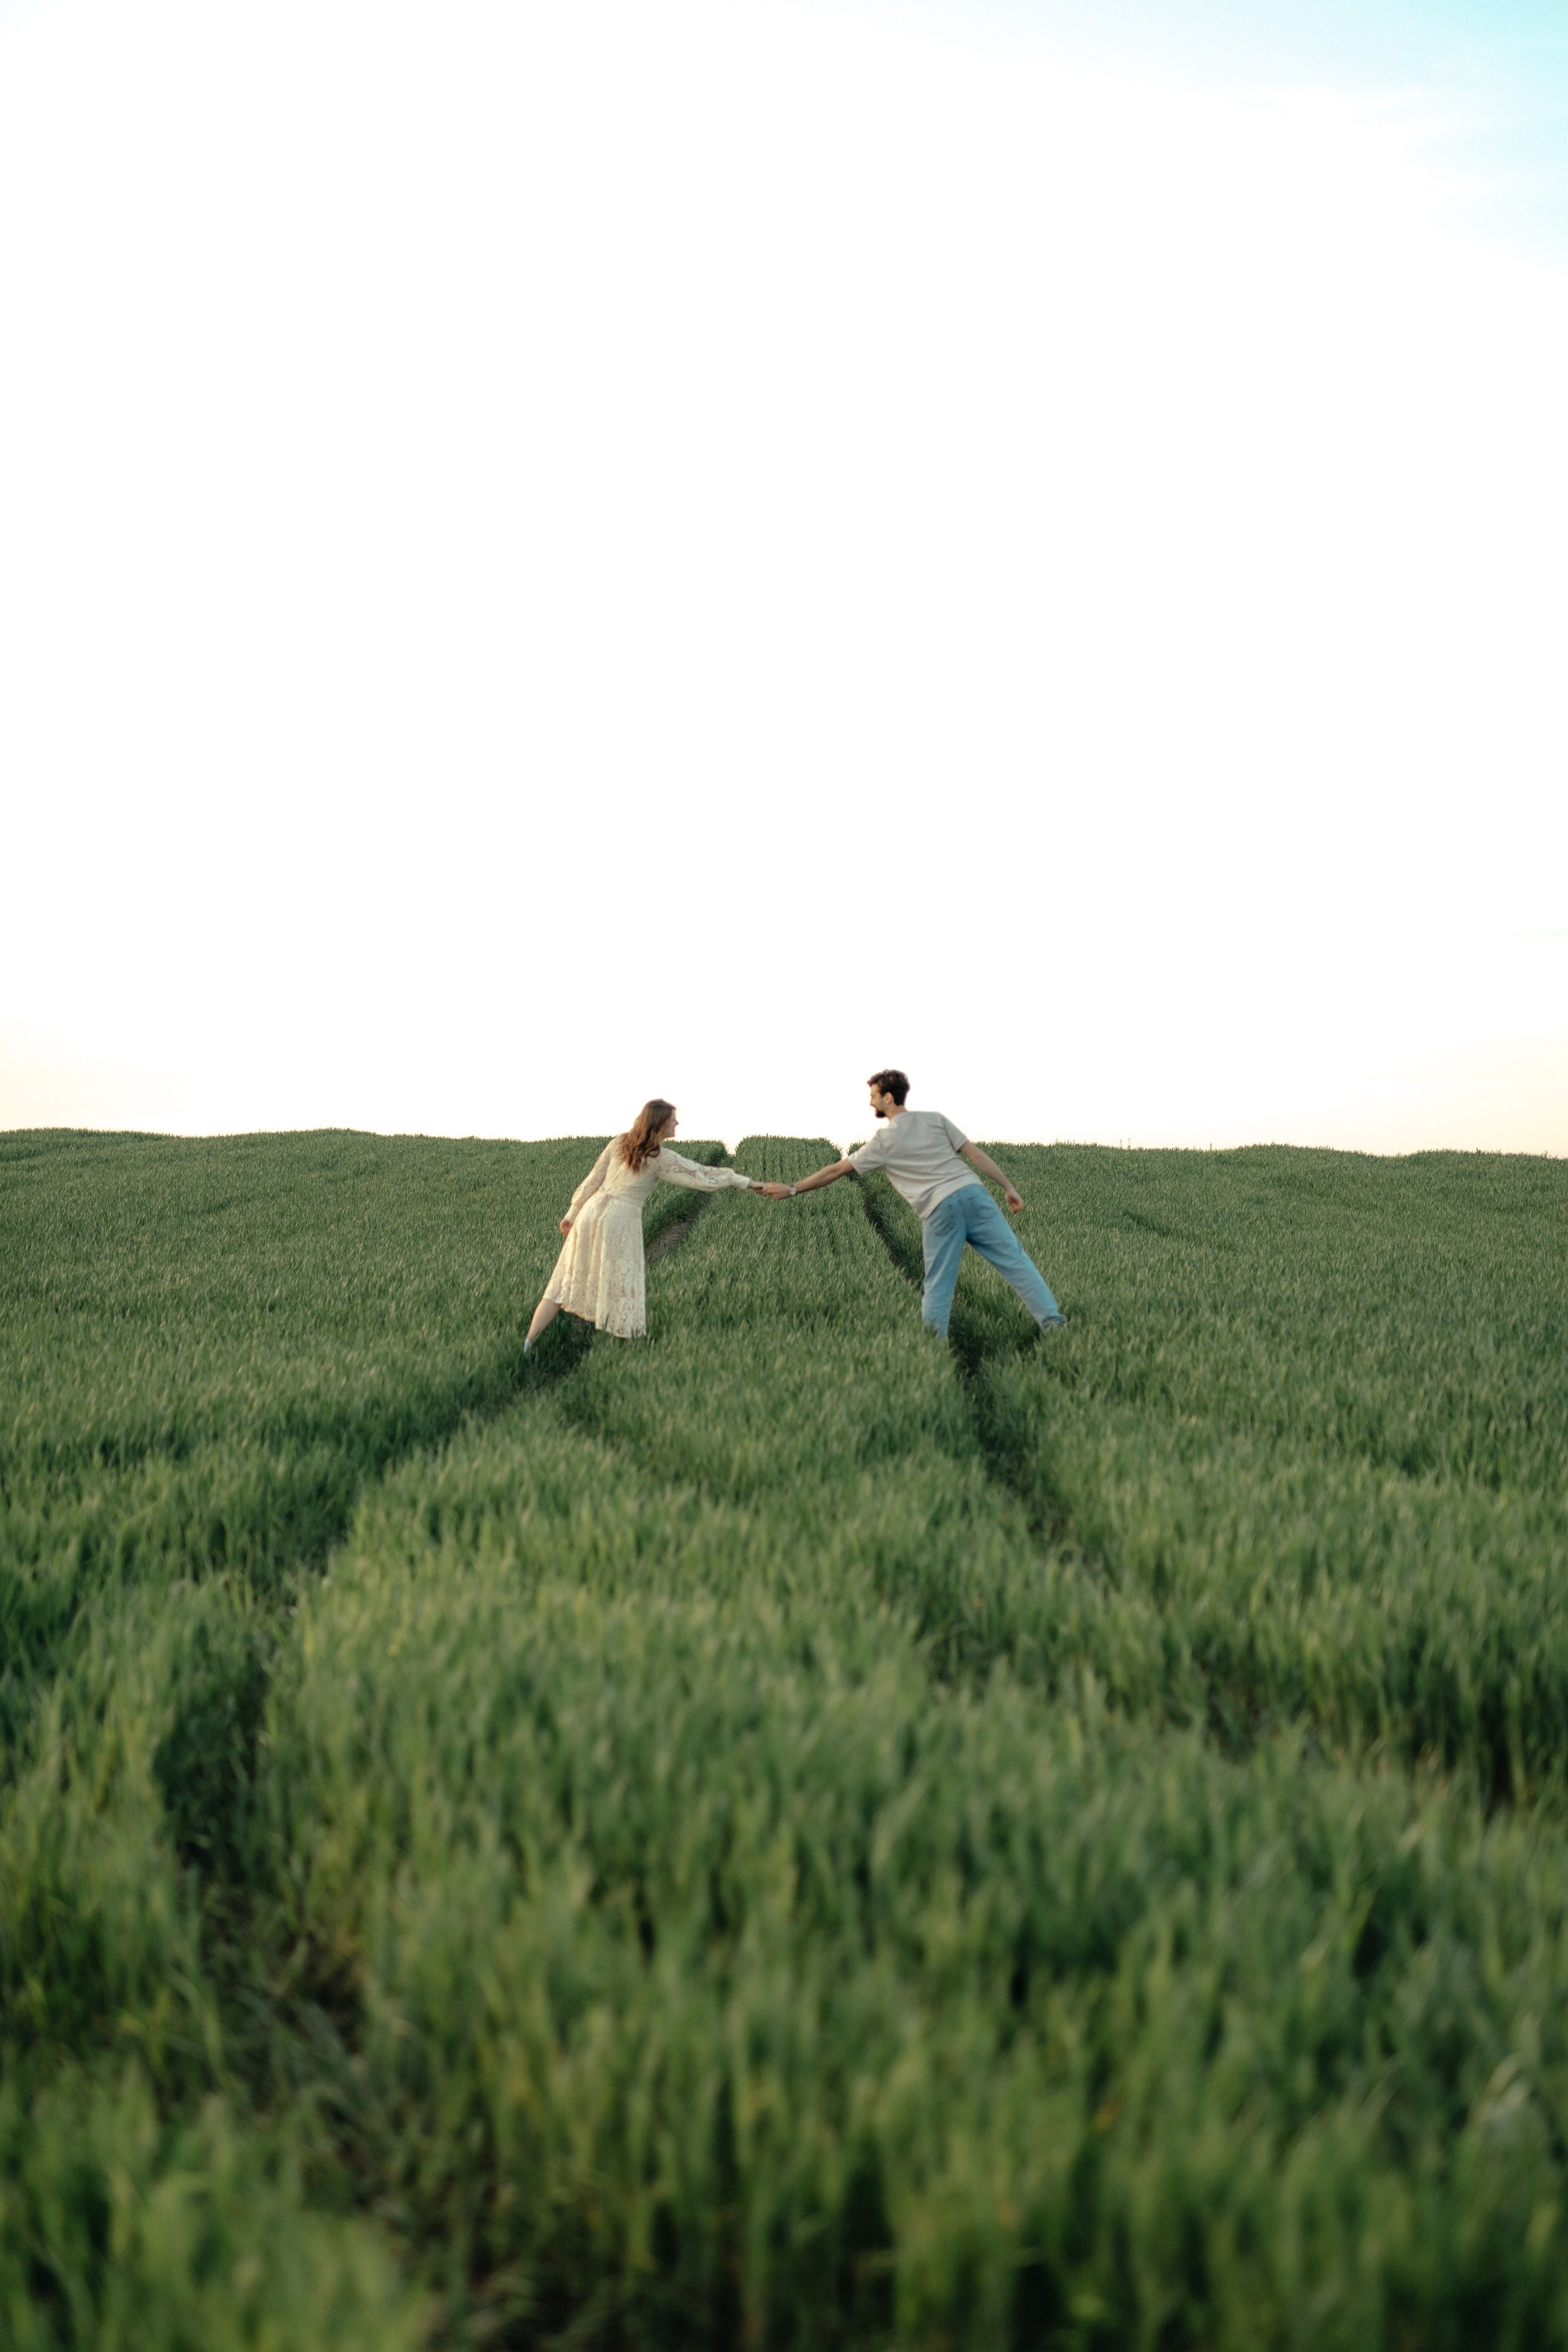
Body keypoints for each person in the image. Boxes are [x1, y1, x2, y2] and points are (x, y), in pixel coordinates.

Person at [756, 1069, 1065, 1342]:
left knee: (939, 1284)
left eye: (874, 1096)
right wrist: (1008, 1187)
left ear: (889, 1097)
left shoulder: (884, 1141)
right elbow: (975, 1155)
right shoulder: (935, 1119)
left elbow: (837, 1170)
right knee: (1016, 1261)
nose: (871, 1103)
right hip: (974, 1194)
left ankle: (933, 1348)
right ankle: (1055, 1326)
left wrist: (793, 1189)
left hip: (940, 1209)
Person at [525, 1098, 766, 1346]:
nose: (678, 1123)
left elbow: (592, 1180)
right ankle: (629, 1351)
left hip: (591, 1211)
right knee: (624, 1283)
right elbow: (701, 1175)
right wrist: (747, 1182)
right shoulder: (660, 1157)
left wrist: (572, 1214)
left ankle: (529, 1342)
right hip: (620, 1220)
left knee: (563, 1280)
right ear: (660, 1124)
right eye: (674, 1119)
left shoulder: (620, 1141)